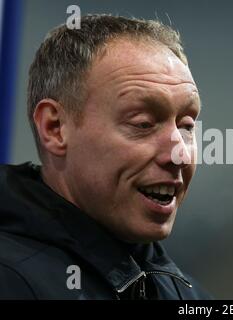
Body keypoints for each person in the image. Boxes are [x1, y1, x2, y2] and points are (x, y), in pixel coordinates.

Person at [0, 14, 211, 300]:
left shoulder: (189, 295)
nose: (180, 154)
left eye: (186, 125)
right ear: (55, 128)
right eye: (143, 123)